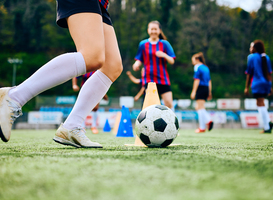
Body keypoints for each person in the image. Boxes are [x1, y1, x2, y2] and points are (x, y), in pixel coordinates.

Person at [0, 0, 123, 148]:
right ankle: (14, 97)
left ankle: (72, 125)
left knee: (112, 66)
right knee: (92, 56)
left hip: (100, 3)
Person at [132, 20, 176, 110]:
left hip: (162, 79)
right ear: (148, 30)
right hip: (148, 79)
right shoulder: (143, 44)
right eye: (152, 29)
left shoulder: (165, 44)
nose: (153, 31)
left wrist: (163, 54)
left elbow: (172, 61)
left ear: (159, 30)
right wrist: (136, 64)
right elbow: (139, 59)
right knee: (147, 106)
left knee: (169, 104)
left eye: (155, 29)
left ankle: (169, 123)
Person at [244, 40, 272, 134]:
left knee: (259, 103)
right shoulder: (266, 57)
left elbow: (249, 73)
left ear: (255, 48)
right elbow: (269, 74)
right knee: (262, 102)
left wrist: (246, 87)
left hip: (257, 83)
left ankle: (267, 127)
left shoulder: (251, 57)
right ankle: (268, 122)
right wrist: (270, 87)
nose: (250, 49)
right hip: (266, 83)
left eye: (251, 47)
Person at [190, 52, 213, 133]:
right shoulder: (206, 68)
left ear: (197, 59)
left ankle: (207, 122)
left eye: (193, 60)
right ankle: (203, 126)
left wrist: (193, 91)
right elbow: (209, 81)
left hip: (200, 87)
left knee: (200, 107)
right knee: (199, 107)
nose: (192, 62)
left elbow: (197, 80)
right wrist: (210, 92)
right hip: (206, 88)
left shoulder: (197, 67)